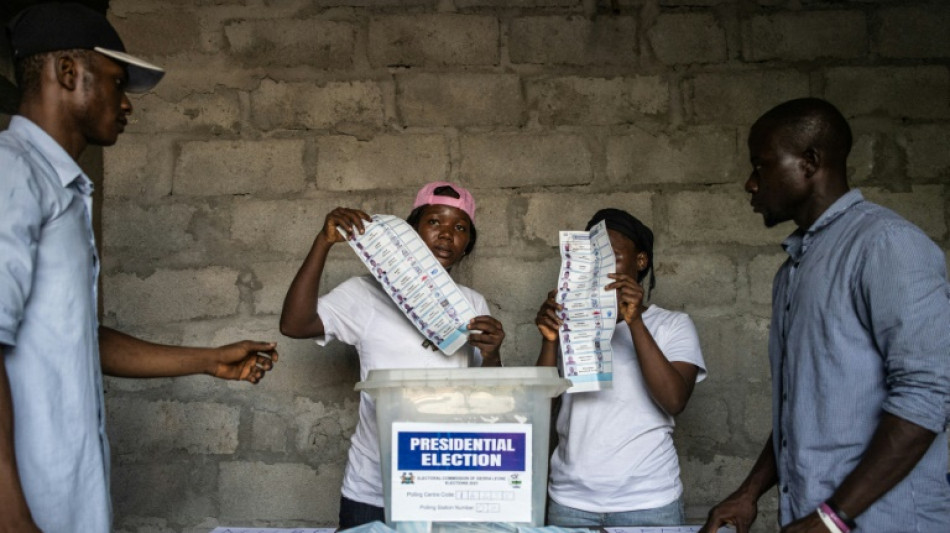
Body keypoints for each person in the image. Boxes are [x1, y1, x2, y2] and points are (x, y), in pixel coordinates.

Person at [0, 4, 278, 532]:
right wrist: (9, 513)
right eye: (115, 82)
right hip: (24, 507)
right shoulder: (12, 171)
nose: (125, 104)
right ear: (67, 73)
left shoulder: (62, 188)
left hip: (64, 501)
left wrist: (208, 359)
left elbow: (74, 339)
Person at [700, 98, 950, 533]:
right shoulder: (794, 270)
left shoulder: (886, 244)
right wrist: (749, 491)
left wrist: (832, 518)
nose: (750, 183)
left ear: (810, 162)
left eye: (761, 166)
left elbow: (929, 394)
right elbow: (800, 414)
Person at [280, 181, 505, 529]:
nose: (446, 235)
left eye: (460, 228)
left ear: (467, 246)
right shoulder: (364, 295)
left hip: (445, 488)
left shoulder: (472, 305)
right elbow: (295, 324)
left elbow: (488, 401)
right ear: (410, 233)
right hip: (373, 489)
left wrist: (492, 355)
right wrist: (323, 243)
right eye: (434, 222)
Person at [535, 208, 706, 527]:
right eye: (591, 258)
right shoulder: (571, 325)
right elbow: (542, 411)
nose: (598, 268)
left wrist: (634, 321)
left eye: (610, 256)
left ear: (640, 262)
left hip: (648, 501)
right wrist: (549, 341)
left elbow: (674, 400)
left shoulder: (672, 325)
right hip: (570, 501)